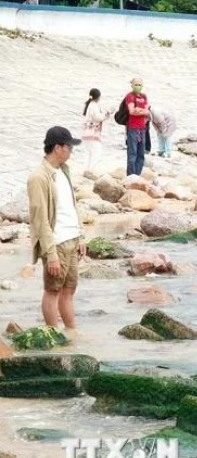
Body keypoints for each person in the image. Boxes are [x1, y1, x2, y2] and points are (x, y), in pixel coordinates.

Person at [27, 126, 86, 330]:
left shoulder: (64, 171)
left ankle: (71, 333)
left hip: (72, 238)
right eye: (70, 147)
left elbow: (72, 205)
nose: (71, 151)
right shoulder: (38, 177)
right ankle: (53, 335)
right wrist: (50, 253)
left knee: (69, 290)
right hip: (56, 242)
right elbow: (39, 218)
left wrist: (81, 236)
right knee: (52, 291)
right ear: (58, 148)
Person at [81, 88, 113, 172]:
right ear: (98, 97)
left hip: (87, 132)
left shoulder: (90, 105)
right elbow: (98, 118)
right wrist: (107, 113)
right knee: (97, 152)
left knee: (88, 152)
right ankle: (90, 170)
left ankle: (86, 170)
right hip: (92, 133)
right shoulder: (93, 105)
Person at [124, 78, 150, 176]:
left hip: (142, 128)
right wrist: (140, 111)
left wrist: (138, 110)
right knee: (132, 152)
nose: (138, 86)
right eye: (136, 84)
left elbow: (147, 111)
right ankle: (131, 175)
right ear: (132, 85)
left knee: (141, 153)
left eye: (139, 85)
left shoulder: (144, 96)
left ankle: (137, 174)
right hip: (133, 128)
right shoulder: (130, 96)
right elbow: (131, 111)